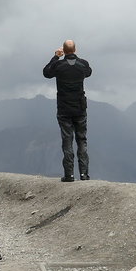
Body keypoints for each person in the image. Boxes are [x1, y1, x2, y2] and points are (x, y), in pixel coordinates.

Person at [43, 38, 92, 181]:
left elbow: (46, 73)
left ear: (63, 51)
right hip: (80, 108)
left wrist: (56, 56)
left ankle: (69, 175)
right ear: (75, 50)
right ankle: (84, 174)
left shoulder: (58, 66)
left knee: (67, 140)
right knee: (82, 139)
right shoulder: (83, 65)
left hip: (64, 109)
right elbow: (89, 72)